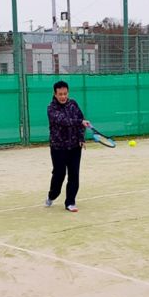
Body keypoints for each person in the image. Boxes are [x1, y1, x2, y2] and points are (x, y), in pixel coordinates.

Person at [45, 80, 89, 212]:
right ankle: (52, 195)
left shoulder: (73, 104)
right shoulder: (51, 108)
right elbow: (64, 121)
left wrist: (81, 138)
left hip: (75, 147)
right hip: (58, 148)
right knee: (59, 174)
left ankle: (70, 202)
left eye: (65, 93)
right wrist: (80, 122)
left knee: (74, 175)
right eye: (60, 94)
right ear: (55, 94)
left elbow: (81, 120)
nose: (63, 96)